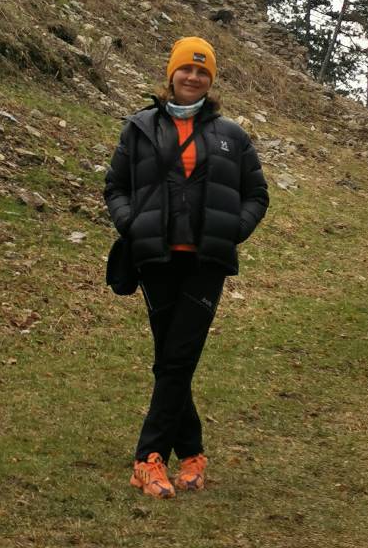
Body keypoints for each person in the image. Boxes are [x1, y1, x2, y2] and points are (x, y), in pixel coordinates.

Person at [104, 36, 269, 498]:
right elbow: (115, 185)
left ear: (210, 80)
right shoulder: (139, 128)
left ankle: (147, 458)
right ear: (171, 74)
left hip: (205, 262)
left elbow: (257, 194)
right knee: (171, 360)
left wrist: (233, 229)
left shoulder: (231, 136)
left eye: (203, 72)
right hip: (154, 258)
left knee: (177, 357)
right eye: (186, 70)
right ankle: (192, 453)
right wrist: (130, 223)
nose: (193, 77)